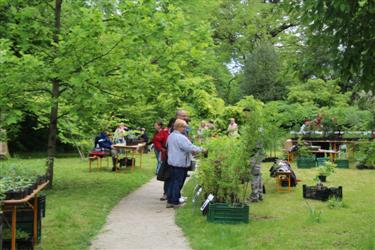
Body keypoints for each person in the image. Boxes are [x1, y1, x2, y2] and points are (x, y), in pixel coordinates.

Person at [166, 119, 205, 208]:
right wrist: (202, 149)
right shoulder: (180, 137)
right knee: (177, 183)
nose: (185, 129)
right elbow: (189, 147)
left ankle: (170, 200)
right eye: (184, 127)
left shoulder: (171, 136)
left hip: (172, 162)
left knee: (172, 182)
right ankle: (175, 202)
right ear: (179, 127)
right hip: (179, 163)